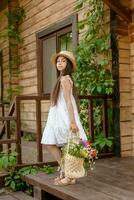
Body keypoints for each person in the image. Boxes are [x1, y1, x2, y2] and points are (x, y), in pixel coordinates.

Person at [41, 51, 87, 186]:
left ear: (68, 65)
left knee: (66, 144)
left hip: (64, 115)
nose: (59, 63)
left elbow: (68, 101)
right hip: (58, 114)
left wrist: (72, 121)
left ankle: (68, 175)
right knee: (52, 142)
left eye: (63, 61)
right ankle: (66, 173)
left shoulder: (65, 79)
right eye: (58, 61)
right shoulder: (62, 78)